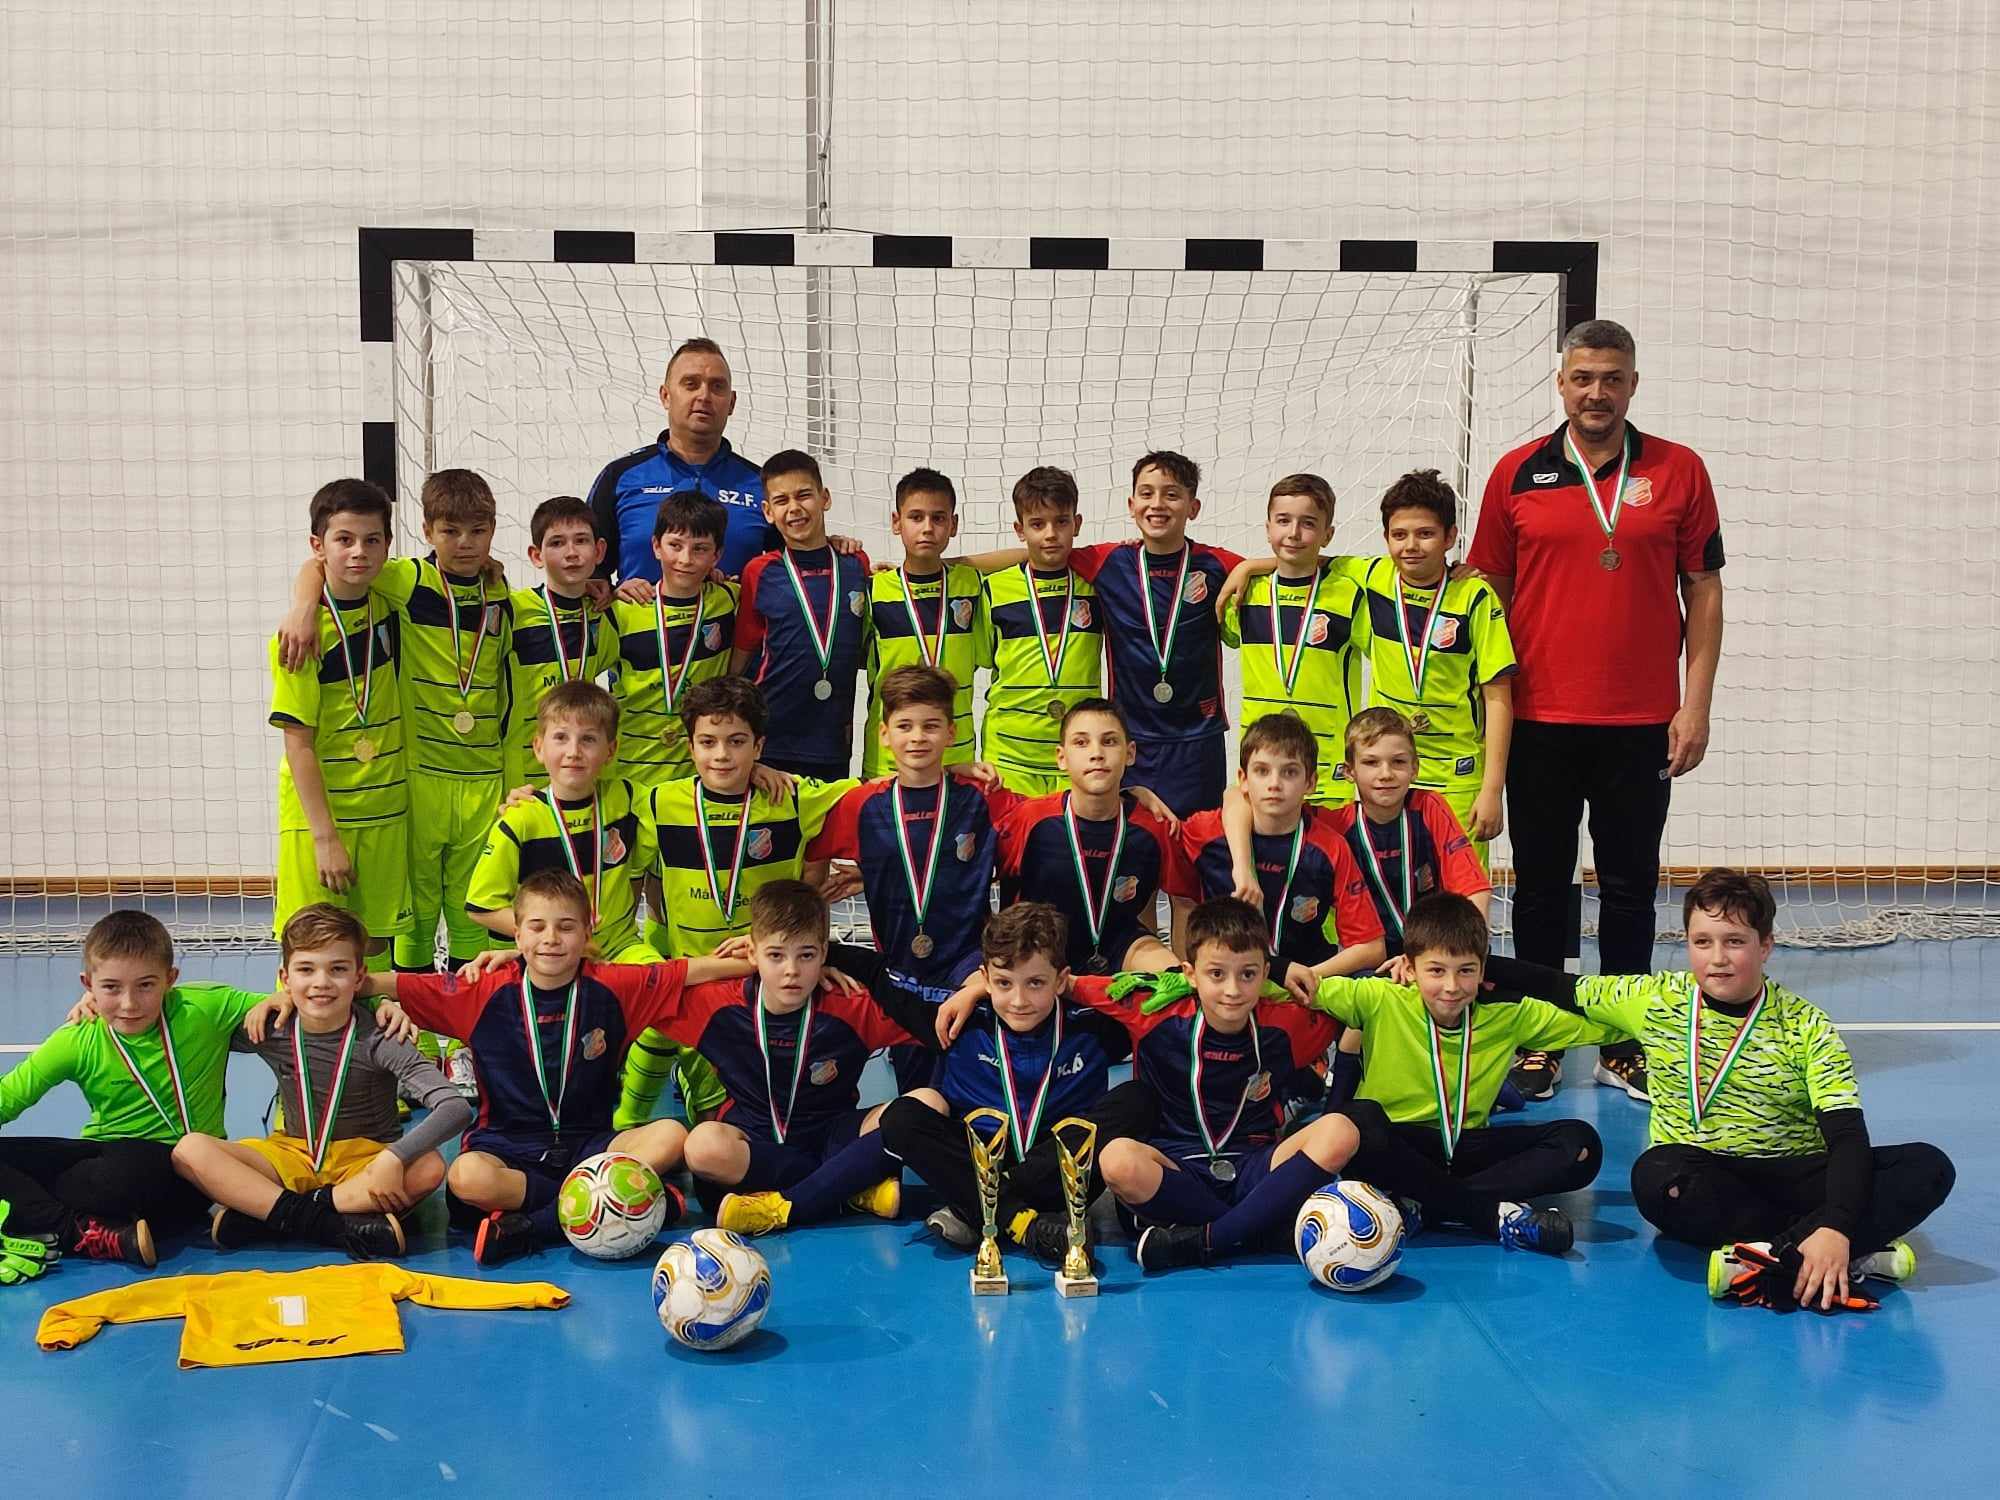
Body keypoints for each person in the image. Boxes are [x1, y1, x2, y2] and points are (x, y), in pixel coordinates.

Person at [1467, 318, 1726, 1105]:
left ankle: (1623, 1041)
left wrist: (1695, 705)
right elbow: (1485, 594)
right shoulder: (1515, 473)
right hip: (1539, 719)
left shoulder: (1679, 471)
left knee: (1629, 888)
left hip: (1642, 722)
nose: (1597, 392)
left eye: (1612, 378)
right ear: (1562, 384)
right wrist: (1485, 706)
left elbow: (1704, 591)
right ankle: (1542, 1039)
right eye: (1583, 377)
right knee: (1541, 888)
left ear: (1633, 385)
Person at [1516, 869, 1956, 1309]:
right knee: (1654, 1176)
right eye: (1702, 942)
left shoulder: (1806, 1025)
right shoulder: (1655, 999)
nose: (1718, 958)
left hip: (1796, 1173)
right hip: (1708, 1178)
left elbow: (1846, 1136)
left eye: (1734, 941)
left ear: (1765, 946)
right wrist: (1478, 969)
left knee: (1928, 1167)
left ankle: (1772, 1258)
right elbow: (1559, 986)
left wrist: (1837, 1224)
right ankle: (1839, 1250)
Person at [361, 869, 752, 1266]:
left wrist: (761, 951)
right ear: (517, 936)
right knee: (466, 1176)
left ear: (587, 933)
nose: (551, 938)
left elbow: (690, 971)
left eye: (566, 927)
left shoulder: (615, 987)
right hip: (505, 1147)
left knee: (670, 1135)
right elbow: (389, 983)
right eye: (537, 927)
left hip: (590, 1145)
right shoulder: (481, 990)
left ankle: (533, 1226)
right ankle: (621, 1202)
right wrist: (347, 995)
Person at [274, 469, 513, 974]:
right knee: (405, 920)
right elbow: (322, 564)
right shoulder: (402, 583)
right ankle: (410, 1022)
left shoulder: (500, 592)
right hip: (416, 781)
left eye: (477, 531)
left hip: (475, 779)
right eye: (450, 531)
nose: (465, 543)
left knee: (469, 907)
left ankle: (463, 1019)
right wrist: (302, 605)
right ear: (427, 532)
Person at [467, 683, 726, 1133]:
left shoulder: (629, 798)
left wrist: (760, 770)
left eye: (588, 739)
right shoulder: (521, 819)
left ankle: (669, 1112)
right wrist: (551, 935)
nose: (573, 751)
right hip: (552, 959)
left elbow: (701, 790)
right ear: (538, 747)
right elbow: (480, 906)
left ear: (611, 749)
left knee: (674, 1001)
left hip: (619, 947)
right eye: (561, 738)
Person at [1045, 897, 1350, 1274]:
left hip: (1255, 1165)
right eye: (1216, 974)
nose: (1232, 990)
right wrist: (981, 984)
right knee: (1117, 1160)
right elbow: (1064, 983)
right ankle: (1259, 1228)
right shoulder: (1151, 1006)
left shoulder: (1287, 1020)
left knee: (1340, 1131)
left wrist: (1402, 970)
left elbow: (1360, 1005)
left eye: (1248, 975)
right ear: (1189, 973)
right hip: (1176, 1168)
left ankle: (1207, 1240)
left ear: (1266, 973)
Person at [1298, 893, 1612, 1255]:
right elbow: (1287, 986)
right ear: (1409, 968)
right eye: (1436, 970)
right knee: (1357, 1121)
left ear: (1484, 969)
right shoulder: (1381, 996)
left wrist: (1662, 1000)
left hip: (1465, 1146)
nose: (1451, 986)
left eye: (1466, 970)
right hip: (1396, 1146)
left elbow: (1610, 1025)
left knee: (1580, 1143)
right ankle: (1490, 1215)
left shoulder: (1508, 1013)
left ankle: (1428, 1204)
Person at [168, 904, 465, 1259]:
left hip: (365, 1159)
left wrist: (393, 1158)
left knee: (428, 1167)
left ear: (359, 977)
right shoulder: (271, 1028)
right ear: (285, 977)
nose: (321, 982)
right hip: (292, 1154)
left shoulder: (381, 1036)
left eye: (337, 969)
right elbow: (189, 1023)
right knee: (190, 1150)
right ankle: (330, 1220)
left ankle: (271, 1213)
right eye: (306, 969)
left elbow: (454, 1106)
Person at [622, 675, 853, 1128]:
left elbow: (883, 793)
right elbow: (587, 808)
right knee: (661, 1008)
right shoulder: (658, 803)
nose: (722, 755)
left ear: (759, 746)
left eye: (737, 741)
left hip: (765, 972)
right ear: (690, 747)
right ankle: (621, 1126)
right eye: (708, 742)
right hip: (695, 971)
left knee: (738, 1117)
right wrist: (526, 797)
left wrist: (955, 769)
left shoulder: (792, 798)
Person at [877, 902, 1156, 1269]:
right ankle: (1028, 1225)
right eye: (1004, 983)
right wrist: (975, 993)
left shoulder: (1093, 1024)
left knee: (1139, 1099)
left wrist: (1078, 988)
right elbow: (877, 975)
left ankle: (978, 1210)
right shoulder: (959, 1019)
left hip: (1061, 1172)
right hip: (980, 1158)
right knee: (901, 1118)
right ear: (985, 978)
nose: (1019, 1001)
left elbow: (1164, 987)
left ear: (1060, 979)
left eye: (1036, 983)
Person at [964, 452, 1242, 815]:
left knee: (1197, 839)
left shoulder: (1217, 564)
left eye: (1171, 494)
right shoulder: (1109, 562)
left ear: (1194, 506)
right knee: (1131, 839)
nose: (1157, 504)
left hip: (1198, 738)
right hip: (1129, 738)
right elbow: (1037, 552)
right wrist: (939, 564)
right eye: (1147, 493)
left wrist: (1249, 567)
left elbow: (1287, 565)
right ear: (1131, 504)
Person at [0, 912, 277, 1272]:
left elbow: (305, 1002)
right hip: (105, 1168)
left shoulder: (203, 1009)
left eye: (145, 985)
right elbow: (9, 1096)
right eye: (111, 988)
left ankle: (62, 1224)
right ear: (88, 984)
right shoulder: (78, 1038)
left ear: (170, 979)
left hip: (187, 1170)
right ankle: (79, 1230)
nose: (129, 1004)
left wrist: (282, 999)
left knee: (133, 1170)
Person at [648, 882, 928, 1236]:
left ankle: (795, 1199)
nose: (791, 970)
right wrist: (726, 966)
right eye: (776, 956)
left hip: (833, 1134)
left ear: (825, 953)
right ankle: (848, 1187)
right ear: (752, 953)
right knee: (702, 1147)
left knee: (926, 1103)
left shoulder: (851, 1004)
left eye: (806, 956)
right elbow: (647, 990)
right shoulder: (718, 1005)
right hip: (754, 1142)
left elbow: (933, 1017)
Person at [806, 665, 1007, 1088]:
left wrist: (1134, 793)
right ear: (883, 734)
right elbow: (812, 861)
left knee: (973, 1083)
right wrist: (810, 940)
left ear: (951, 733)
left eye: (930, 726)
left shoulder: (981, 798)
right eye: (905, 726)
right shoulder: (860, 805)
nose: (917, 737)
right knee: (916, 1093)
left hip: (969, 966)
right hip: (899, 972)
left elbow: (1052, 815)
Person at [268, 477, 415, 966]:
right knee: (310, 953)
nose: (359, 552)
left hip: (384, 813)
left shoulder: (393, 601)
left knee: (371, 953)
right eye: (344, 540)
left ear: (388, 546)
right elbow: (298, 744)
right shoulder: (299, 638)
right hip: (321, 820)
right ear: (318, 546)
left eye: (372, 540)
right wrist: (325, 837)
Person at [1350, 469, 1516, 863]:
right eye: (1399, 534)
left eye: (1425, 534)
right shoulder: (1370, 579)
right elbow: (1304, 558)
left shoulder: (1474, 597)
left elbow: (1498, 697)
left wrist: (1492, 789)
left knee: (1462, 889)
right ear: (1386, 537)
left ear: (1450, 537)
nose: (1411, 545)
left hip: (1456, 776)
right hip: (1389, 771)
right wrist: (1246, 568)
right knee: (1391, 881)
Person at [1183, 712, 1386, 1001]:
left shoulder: (1330, 847)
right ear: (1243, 779)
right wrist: (1138, 792)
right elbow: (1178, 899)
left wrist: (1305, 975)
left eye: (1289, 772)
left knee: (1373, 986)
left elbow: (1371, 947)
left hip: (1309, 974)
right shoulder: (1204, 833)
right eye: (1262, 771)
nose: (1274, 784)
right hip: (1231, 977)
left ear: (1311, 782)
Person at [993, 698, 1195, 976]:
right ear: (1061, 757)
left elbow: (1185, 901)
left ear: (1130, 753)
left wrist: (1189, 982)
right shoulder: (1029, 818)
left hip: (1123, 946)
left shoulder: (1154, 826)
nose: (1096, 753)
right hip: (1041, 947)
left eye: (1109, 741)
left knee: (1174, 980)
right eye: (1081, 742)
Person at [1219, 474, 1366, 807]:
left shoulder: (1350, 595)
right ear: (1268, 527)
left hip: (1327, 769)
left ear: (1328, 535)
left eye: (1308, 523)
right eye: (1283, 521)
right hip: (1262, 763)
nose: (1294, 533)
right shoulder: (1244, 593)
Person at [732, 450, 873, 781]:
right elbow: (742, 655)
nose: (794, 508)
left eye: (804, 495)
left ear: (825, 498)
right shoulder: (759, 571)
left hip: (832, 738)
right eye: (781, 500)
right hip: (770, 737)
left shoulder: (856, 563)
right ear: (768, 512)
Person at [587, 337, 772, 582]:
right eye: (691, 384)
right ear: (665, 396)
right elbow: (589, 570)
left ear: (732, 402)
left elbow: (792, 569)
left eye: (717, 386)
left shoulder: (763, 485)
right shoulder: (620, 477)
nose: (704, 395)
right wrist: (613, 593)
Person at [976, 466, 1105, 795]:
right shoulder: (993, 589)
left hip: (1078, 753)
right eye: (1037, 524)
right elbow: (982, 656)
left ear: (1077, 524)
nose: (1050, 534)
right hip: (1009, 755)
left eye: (1061, 522)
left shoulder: (1097, 586)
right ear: (1020, 530)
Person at [605, 490, 740, 791]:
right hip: (630, 774)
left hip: (699, 779)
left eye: (700, 549)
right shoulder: (622, 610)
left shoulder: (729, 600)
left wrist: (833, 547)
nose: (685, 559)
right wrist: (605, 589)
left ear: (717, 555)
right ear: (656, 546)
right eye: (675, 545)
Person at [862, 469, 988, 777]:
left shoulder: (971, 585)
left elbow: (1026, 556)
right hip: (889, 755)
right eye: (916, 517)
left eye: (938, 518)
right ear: (896, 522)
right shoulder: (873, 590)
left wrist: (952, 562)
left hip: (956, 752)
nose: (927, 528)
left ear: (953, 525)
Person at [503, 496, 621, 794]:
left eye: (581, 541)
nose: (571, 553)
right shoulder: (512, 611)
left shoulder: (606, 614)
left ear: (599, 551)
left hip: (581, 768)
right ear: (536, 555)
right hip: (525, 773)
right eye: (556, 543)